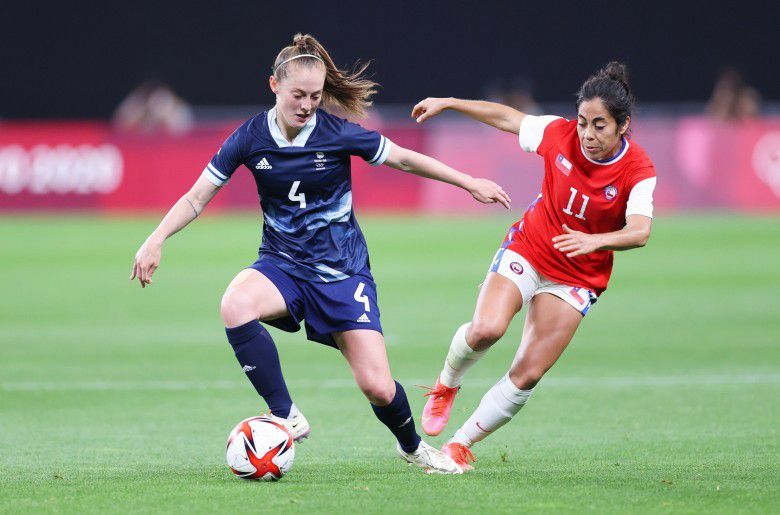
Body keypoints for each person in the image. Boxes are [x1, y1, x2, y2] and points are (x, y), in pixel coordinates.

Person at [130, 33, 511, 475]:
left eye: (315, 96)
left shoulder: (336, 133)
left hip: (342, 273)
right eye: (298, 94)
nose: (308, 104)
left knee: (377, 387)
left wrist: (469, 182)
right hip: (282, 265)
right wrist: (156, 238)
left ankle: (413, 448)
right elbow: (197, 197)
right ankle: (286, 413)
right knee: (235, 304)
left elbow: (405, 159)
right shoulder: (250, 137)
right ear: (274, 84)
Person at [412, 62, 656, 471]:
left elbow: (640, 231)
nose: (588, 134)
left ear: (623, 125)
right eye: (583, 122)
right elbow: (507, 118)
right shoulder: (558, 134)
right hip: (530, 248)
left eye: (600, 125)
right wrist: (450, 102)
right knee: (486, 329)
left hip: (578, 276)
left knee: (527, 373)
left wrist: (594, 241)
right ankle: (446, 385)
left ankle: (459, 445)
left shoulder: (638, 169)